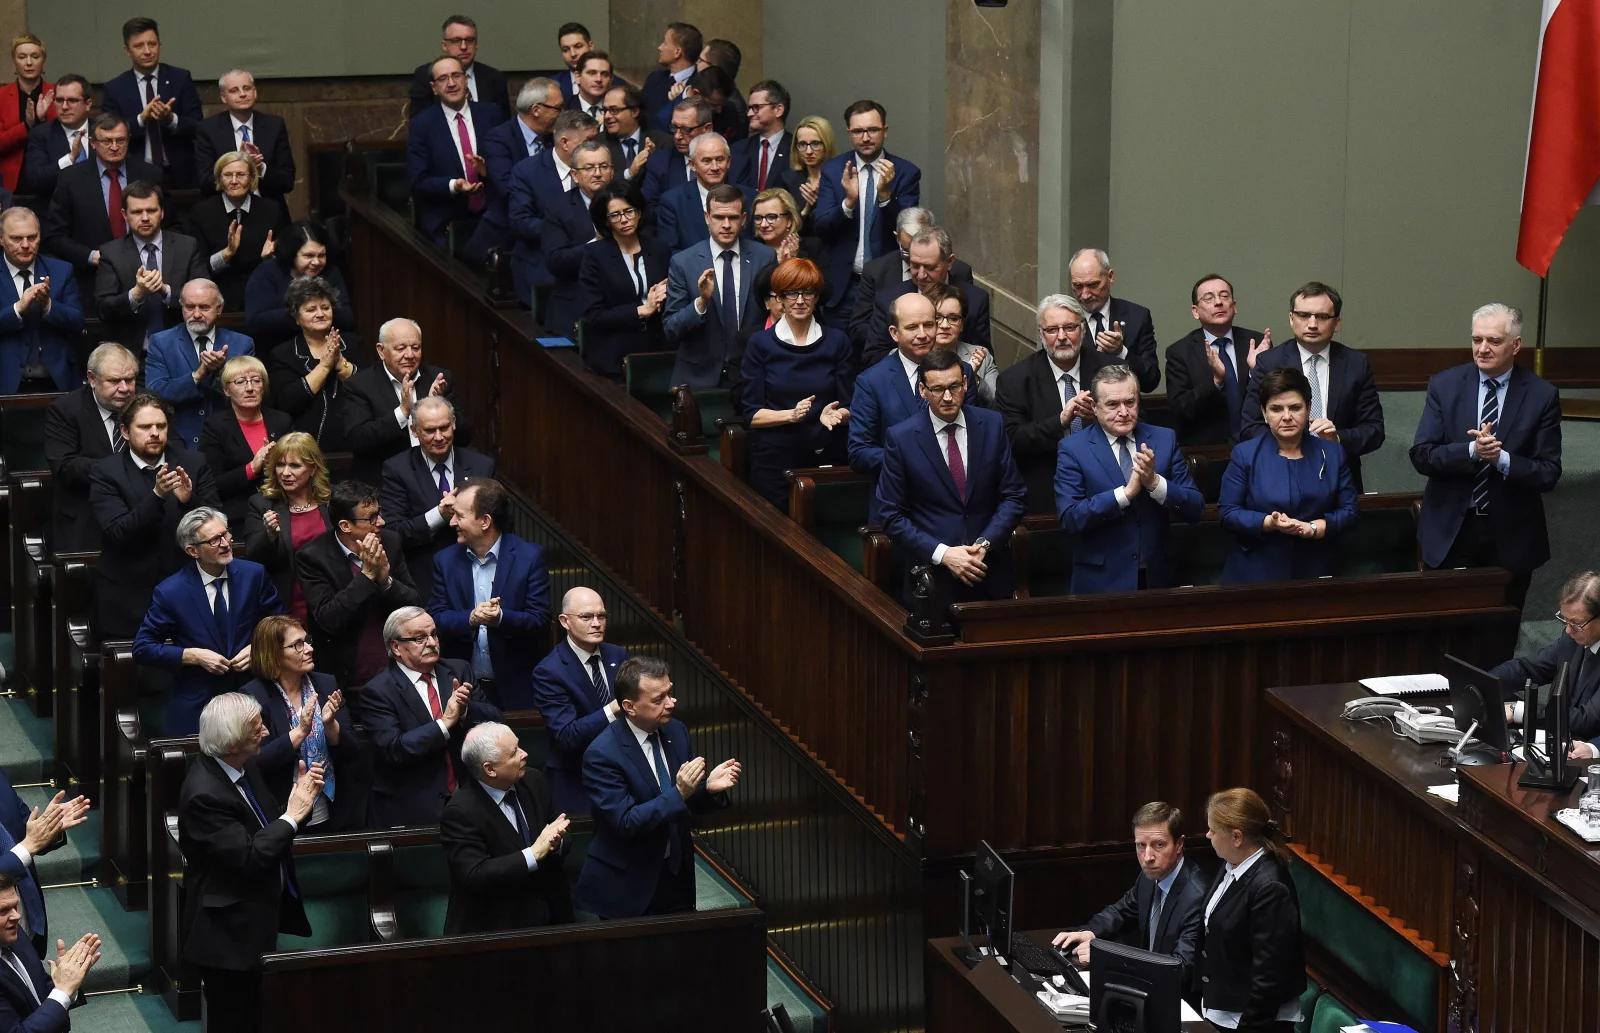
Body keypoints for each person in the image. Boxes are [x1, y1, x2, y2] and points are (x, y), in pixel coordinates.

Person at [178, 692, 322, 1033]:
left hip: (255, 921)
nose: (266, 733)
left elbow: (271, 825)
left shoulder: (243, 766)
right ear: (232, 744)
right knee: (235, 1022)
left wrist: (296, 809)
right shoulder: (204, 794)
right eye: (257, 728)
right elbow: (249, 857)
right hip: (226, 939)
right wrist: (292, 816)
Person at [1411, 302, 1561, 615]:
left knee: (1499, 636)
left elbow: (1548, 473)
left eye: (1493, 341)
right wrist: (1471, 451)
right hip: (1450, 531)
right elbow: (1422, 455)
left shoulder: (1541, 395)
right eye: (1477, 340)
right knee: (1444, 628)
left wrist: (1502, 459)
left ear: (1516, 345)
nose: (1482, 349)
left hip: (1510, 536)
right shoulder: (1445, 385)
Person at [575, 657, 740, 918]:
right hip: (628, 885)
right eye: (659, 699)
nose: (671, 703)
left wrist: (707, 789)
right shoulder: (602, 754)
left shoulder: (676, 731)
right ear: (629, 706)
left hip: (676, 874)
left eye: (670, 693)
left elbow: (680, 804)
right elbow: (626, 822)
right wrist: (681, 793)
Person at [877, 348, 1026, 602]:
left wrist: (984, 545)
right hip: (931, 578)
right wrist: (944, 554)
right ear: (923, 390)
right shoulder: (902, 439)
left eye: (955, 386)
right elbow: (890, 515)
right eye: (937, 389)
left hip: (988, 571)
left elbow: (1013, 496)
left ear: (965, 383)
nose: (948, 397)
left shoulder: (992, 425)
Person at [1055, 365, 1205, 593]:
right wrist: (1124, 495)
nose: (1124, 412)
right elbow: (1070, 518)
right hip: (1101, 582)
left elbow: (1195, 508)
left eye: (1130, 402)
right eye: (1113, 404)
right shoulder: (1073, 449)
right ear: (1094, 407)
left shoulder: (1164, 439)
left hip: (1158, 578)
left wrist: (1155, 484)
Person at [134, 506, 283, 734]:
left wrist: (259, 649)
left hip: (254, 693)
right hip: (199, 702)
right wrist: (192, 655)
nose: (225, 543)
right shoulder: (171, 592)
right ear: (193, 551)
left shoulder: (254, 575)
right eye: (214, 540)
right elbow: (143, 647)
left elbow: (282, 624)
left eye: (226, 534)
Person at [88, 393, 218, 639]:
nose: (155, 433)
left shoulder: (193, 462)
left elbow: (217, 524)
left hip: (186, 589)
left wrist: (190, 501)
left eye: (161, 426)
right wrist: (157, 495)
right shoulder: (106, 472)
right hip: (127, 596)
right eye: (145, 427)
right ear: (125, 432)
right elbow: (119, 532)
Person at [362, 606, 500, 828]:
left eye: (434, 634)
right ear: (396, 647)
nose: (432, 643)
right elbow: (393, 749)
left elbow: (496, 720)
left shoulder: (458, 670)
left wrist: (465, 710)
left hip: (468, 801)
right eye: (420, 638)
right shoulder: (378, 691)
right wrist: (444, 723)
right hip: (410, 809)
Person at [1241, 281, 1384, 494]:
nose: (1312, 324)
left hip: (1340, 477)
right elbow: (1249, 427)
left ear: (1337, 323)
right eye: (1304, 315)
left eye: (1322, 317)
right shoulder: (1269, 362)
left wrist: (1337, 439)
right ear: (1291, 319)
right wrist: (1290, 447)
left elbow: (1374, 430)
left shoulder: (1356, 364)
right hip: (1280, 476)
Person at [1219, 367, 1358, 585]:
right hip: (1257, 571)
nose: (1286, 417)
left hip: (1318, 568)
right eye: (1276, 409)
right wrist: (1268, 523)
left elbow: (1349, 510)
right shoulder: (1245, 454)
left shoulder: (1331, 452)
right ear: (1264, 413)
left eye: (1295, 408)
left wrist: (1315, 528)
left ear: (1308, 409)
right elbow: (1228, 513)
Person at [1051, 802, 1208, 991]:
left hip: (1177, 1000)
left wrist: (1109, 958)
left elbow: (1180, 968)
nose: (1148, 856)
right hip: (1144, 986)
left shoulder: (1196, 895)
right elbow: (1121, 911)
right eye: (1141, 845)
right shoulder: (1149, 877)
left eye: (1159, 845)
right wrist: (1089, 932)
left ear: (1179, 844)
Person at [738, 258, 854, 509]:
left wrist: (836, 415)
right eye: (792, 293)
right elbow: (752, 414)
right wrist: (790, 415)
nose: (800, 300)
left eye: (808, 293)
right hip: (774, 460)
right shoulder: (760, 344)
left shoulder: (837, 341)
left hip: (826, 452)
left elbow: (850, 405)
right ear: (779, 298)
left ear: (817, 297)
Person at [428, 477, 551, 710]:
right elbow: (435, 618)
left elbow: (540, 621)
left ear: (485, 521)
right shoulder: (445, 562)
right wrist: (470, 619)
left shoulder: (529, 558)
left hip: (516, 688)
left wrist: (500, 618)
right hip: (463, 689)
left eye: (459, 516)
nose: (452, 522)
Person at [440, 721, 574, 934]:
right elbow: (474, 874)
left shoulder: (533, 780)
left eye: (519, 746)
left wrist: (557, 843)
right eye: (513, 753)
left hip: (552, 919)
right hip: (497, 930)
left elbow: (559, 830)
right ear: (490, 769)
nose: (524, 754)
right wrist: (532, 854)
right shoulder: (460, 811)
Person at [296, 479, 420, 693]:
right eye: (372, 518)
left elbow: (414, 605)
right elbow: (329, 618)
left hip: (397, 670)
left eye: (379, 513)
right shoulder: (313, 557)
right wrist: (367, 575)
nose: (381, 522)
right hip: (346, 676)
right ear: (345, 526)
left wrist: (385, 581)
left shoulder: (390, 542)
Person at [1199, 787, 1306, 1032]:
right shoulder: (1232, 864)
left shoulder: (1271, 888)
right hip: (1220, 1009)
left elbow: (1269, 978)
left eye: (1213, 830)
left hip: (1252, 1024)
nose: (1207, 835)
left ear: (1237, 837)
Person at [241, 615, 356, 831]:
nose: (310, 649)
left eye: (307, 640)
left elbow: (353, 752)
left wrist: (331, 726)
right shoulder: (254, 695)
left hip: (333, 805)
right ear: (274, 654)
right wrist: (300, 731)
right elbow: (255, 762)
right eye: (298, 645)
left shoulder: (325, 683)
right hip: (282, 807)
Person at [996, 294, 1109, 513]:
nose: (1062, 337)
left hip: (1106, 482)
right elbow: (1011, 440)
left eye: (1070, 327)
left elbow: (1136, 423)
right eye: (1052, 330)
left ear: (1083, 330)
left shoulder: (1111, 370)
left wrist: (1101, 415)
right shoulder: (1015, 380)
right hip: (1046, 486)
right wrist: (1060, 421)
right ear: (1041, 334)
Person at [814, 100, 923, 317]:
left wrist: (885, 197)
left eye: (872, 130)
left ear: (885, 131)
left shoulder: (905, 172)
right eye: (858, 131)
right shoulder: (834, 170)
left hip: (888, 288)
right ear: (849, 133)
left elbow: (909, 234)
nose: (865, 138)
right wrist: (848, 203)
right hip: (843, 287)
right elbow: (820, 227)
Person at [380, 396, 496, 598]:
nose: (439, 436)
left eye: (444, 428)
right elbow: (393, 532)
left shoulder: (481, 466)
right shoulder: (397, 469)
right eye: (430, 430)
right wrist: (439, 515)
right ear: (414, 431)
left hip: (479, 573)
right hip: (425, 578)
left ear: (454, 425)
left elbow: (500, 522)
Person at [663, 184, 776, 389]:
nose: (726, 225)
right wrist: (701, 302)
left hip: (750, 375)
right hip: (697, 378)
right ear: (707, 218)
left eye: (732, 218)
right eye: (718, 218)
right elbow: (671, 329)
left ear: (743, 219)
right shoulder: (683, 262)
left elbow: (772, 318)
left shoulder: (764, 257)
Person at [531, 587, 628, 815]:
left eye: (601, 616)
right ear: (565, 621)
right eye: (586, 617)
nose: (596, 623)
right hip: (576, 779)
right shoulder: (549, 671)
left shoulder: (618, 655)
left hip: (622, 773)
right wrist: (613, 709)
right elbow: (566, 735)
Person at [41, 113, 159, 291]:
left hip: (147, 274)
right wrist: (90, 256)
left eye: (120, 140)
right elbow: (55, 235)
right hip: (91, 278)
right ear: (93, 143)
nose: (114, 147)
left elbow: (170, 224)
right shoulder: (70, 179)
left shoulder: (150, 174)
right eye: (107, 141)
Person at [849, 293, 939, 524]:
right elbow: (859, 452)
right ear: (894, 333)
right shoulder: (872, 381)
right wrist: (910, 459)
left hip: (951, 510)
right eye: (912, 327)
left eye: (928, 325)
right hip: (898, 509)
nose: (922, 334)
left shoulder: (961, 372)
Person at [340, 316, 464, 484]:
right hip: (383, 482)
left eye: (416, 347)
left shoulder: (438, 378)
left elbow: (465, 435)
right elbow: (358, 440)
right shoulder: (360, 385)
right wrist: (402, 412)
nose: (410, 355)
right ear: (381, 351)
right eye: (400, 348)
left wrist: (439, 407)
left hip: (436, 477)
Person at [44, 341, 138, 552]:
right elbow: (65, 465)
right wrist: (125, 469)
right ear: (92, 379)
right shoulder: (66, 410)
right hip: (86, 517)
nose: (124, 388)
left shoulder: (147, 403)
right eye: (114, 381)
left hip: (141, 515)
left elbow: (173, 448)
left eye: (130, 380)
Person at [93, 179, 207, 352]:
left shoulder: (187, 247)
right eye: (137, 212)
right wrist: (136, 294)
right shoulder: (111, 253)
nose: (145, 218)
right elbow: (103, 309)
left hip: (183, 353)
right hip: (132, 358)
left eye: (151, 210)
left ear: (162, 212)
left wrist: (165, 291)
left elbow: (206, 297)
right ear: (124, 214)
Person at [145, 278, 256, 450]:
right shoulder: (161, 342)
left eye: (204, 307)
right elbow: (155, 394)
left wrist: (221, 371)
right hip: (178, 443)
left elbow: (249, 396)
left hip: (228, 443)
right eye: (190, 307)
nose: (196, 314)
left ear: (219, 309)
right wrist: (198, 375)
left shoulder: (241, 344)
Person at [847, 207, 974, 354]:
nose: (920, 275)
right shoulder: (882, 287)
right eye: (907, 253)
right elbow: (864, 336)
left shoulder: (963, 278)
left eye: (930, 267)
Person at [506, 108, 599, 310]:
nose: (594, 148)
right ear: (565, 143)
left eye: (596, 141)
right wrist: (564, 233)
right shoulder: (527, 172)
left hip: (593, 274)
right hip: (544, 271)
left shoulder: (600, 168)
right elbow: (520, 221)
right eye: (587, 142)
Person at [862, 226, 991, 368]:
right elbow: (873, 356)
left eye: (929, 267)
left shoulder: (976, 300)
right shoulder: (888, 300)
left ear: (950, 262)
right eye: (915, 266)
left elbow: (983, 357)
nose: (921, 275)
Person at [1164, 274, 1269, 446]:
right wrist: (1216, 381)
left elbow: (1276, 398)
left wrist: (1255, 372)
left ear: (1234, 306)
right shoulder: (1180, 352)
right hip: (1208, 451)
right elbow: (1181, 410)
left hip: (1258, 445)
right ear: (1195, 312)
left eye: (1224, 296)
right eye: (1209, 298)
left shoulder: (1257, 343)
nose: (1218, 302)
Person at [577, 181, 669, 378]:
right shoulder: (594, 255)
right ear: (606, 220)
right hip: (612, 354)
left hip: (656, 349)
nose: (625, 219)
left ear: (639, 212)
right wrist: (641, 311)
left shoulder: (659, 249)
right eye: (615, 215)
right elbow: (593, 316)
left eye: (629, 211)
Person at [98, 17, 204, 188]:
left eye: (152, 44)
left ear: (159, 45)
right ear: (127, 50)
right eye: (139, 46)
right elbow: (107, 134)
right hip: (135, 175)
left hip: (179, 174)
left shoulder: (180, 78)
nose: (147, 51)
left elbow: (198, 126)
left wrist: (171, 119)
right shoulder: (115, 88)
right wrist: (141, 118)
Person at [406, 56, 500, 247]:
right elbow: (418, 181)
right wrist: (453, 185)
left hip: (492, 218)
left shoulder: (491, 114)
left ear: (466, 80)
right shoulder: (422, 125)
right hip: (446, 223)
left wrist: (487, 171)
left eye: (456, 75)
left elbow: (512, 164)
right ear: (434, 88)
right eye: (443, 79)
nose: (451, 83)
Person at [1496, 572, 1600, 743]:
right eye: (1564, 620)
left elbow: (1585, 720)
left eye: (1576, 623)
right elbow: (1527, 669)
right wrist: (1486, 685)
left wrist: (1519, 710)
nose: (1568, 630)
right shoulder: (1571, 640)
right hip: (1561, 740)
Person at [468, 77, 561, 262]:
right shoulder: (499, 139)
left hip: (546, 235)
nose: (561, 113)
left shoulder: (556, 139)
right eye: (557, 108)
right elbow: (509, 189)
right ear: (536, 110)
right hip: (504, 236)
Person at [0, 771, 90, 957]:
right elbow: (28, 843)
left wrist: (50, 825)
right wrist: (27, 847)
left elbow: (23, 827)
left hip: (23, 922)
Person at [241, 431, 330, 619]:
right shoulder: (261, 504)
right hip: (286, 603)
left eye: (295, 466)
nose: (286, 473)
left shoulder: (330, 502)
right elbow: (252, 558)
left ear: (313, 468)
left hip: (331, 600)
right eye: (280, 465)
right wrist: (269, 535)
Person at [264, 275, 361, 449]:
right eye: (311, 309)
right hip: (304, 448)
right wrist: (324, 366)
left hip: (354, 441)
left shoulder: (353, 344)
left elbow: (368, 388)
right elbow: (288, 402)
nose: (320, 314)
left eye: (325, 307)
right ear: (296, 317)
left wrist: (341, 364)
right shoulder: (283, 354)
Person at [182, 151, 286, 310]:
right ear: (219, 179)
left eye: (241, 175)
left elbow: (285, 260)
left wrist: (269, 259)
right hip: (218, 292)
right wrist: (226, 254)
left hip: (262, 289)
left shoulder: (271, 210)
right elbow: (197, 266)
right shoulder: (201, 213)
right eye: (228, 175)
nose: (234, 181)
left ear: (252, 178)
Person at [0, 873, 101, 1033]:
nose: (17, 916)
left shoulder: (14, 934)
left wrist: (66, 982)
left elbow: (37, 993)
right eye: (3, 910)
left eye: (15, 906)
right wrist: (63, 991)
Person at [0, 206, 83, 394]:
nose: (25, 244)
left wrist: (48, 306)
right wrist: (17, 309)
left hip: (56, 380)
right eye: (16, 238)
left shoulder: (61, 270)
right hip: (6, 380)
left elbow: (78, 321)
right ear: (1, 239)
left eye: (32, 237)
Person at [199, 354, 289, 525]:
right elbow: (212, 483)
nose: (250, 388)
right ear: (226, 390)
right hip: (238, 514)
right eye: (240, 382)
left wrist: (276, 464)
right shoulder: (215, 426)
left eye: (256, 380)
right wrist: (252, 467)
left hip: (282, 509)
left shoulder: (281, 421)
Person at [540, 138, 614, 338]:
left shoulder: (628, 203)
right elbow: (556, 262)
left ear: (612, 171)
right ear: (575, 174)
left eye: (603, 166)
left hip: (619, 311)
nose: (597, 173)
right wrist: (596, 244)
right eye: (589, 168)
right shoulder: (558, 208)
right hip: (574, 310)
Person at [243, 220, 357, 345]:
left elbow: (347, 318)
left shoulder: (331, 272)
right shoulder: (267, 272)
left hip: (326, 344)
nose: (316, 262)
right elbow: (255, 323)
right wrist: (300, 314)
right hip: (278, 347)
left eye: (321, 255)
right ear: (292, 254)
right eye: (309, 256)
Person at [192, 69, 295, 202]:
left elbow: (287, 182)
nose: (242, 94)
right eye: (234, 90)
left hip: (268, 208)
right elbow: (205, 183)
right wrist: (237, 164)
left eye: (247, 88)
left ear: (255, 92)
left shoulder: (274, 125)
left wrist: (260, 169)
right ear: (223, 97)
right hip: (225, 211)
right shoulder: (208, 129)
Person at [657, 132, 756, 254]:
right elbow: (670, 251)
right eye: (707, 161)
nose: (715, 167)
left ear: (729, 162)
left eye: (720, 159)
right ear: (693, 165)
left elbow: (757, 245)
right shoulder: (673, 202)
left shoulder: (750, 197)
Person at [406, 14, 510, 122]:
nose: (464, 47)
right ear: (444, 45)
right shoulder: (426, 75)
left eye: (469, 40)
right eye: (456, 41)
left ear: (476, 45)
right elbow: (419, 124)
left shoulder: (494, 78)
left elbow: (504, 125)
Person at [19, 72, 89, 199]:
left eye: (72, 100)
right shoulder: (40, 135)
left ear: (88, 104)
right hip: (57, 211)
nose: (64, 107)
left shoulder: (102, 130)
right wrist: (70, 159)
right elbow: (35, 180)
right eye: (59, 100)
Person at [926, 283, 996, 406]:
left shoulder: (981, 355)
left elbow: (997, 402)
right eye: (938, 317)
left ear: (962, 324)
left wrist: (973, 379)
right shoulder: (912, 354)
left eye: (953, 319)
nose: (945, 325)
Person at [0, 33, 52, 195]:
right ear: (14, 62)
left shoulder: (58, 93)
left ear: (43, 61)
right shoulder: (1, 97)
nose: (29, 62)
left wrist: (42, 121)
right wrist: (27, 126)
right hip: (11, 185)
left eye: (35, 56)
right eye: (22, 57)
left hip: (52, 184)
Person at [640, 98, 713, 205]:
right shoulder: (659, 164)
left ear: (707, 129)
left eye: (686, 129)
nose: (677, 136)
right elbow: (649, 208)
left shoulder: (729, 161)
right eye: (674, 128)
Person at [600, 83, 668, 186]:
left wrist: (654, 160)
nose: (607, 116)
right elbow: (599, 182)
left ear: (634, 111)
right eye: (605, 110)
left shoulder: (662, 142)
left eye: (614, 110)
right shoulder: (597, 145)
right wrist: (629, 173)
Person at [778, 116, 835, 237]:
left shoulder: (839, 177)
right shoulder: (788, 180)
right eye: (802, 144)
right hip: (800, 248)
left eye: (815, 144)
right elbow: (782, 228)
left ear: (827, 144)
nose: (808, 151)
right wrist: (806, 210)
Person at [641, 22, 703, 132]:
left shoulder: (699, 85)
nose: (659, 48)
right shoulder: (654, 79)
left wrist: (679, 101)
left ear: (677, 52)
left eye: (665, 43)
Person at [732, 80, 792, 193]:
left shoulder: (795, 150)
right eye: (749, 108)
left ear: (778, 110)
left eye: (756, 108)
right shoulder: (737, 149)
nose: (749, 114)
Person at [567, 50, 613, 121]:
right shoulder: (565, 110)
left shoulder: (617, 111)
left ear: (610, 80)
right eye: (592, 73)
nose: (599, 79)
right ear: (578, 77)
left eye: (604, 74)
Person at [553, 22, 592, 101]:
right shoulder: (552, 86)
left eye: (578, 46)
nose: (573, 54)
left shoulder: (616, 85)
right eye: (565, 50)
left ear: (590, 46)